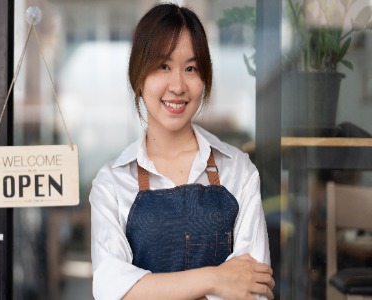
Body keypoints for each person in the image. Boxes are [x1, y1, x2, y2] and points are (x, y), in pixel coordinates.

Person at [89, 3, 275, 300]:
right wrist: (216, 279)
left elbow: (254, 290)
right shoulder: (111, 183)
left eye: (190, 68)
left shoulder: (238, 170)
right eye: (163, 66)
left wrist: (147, 288)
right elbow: (111, 290)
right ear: (138, 76)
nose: (177, 85)